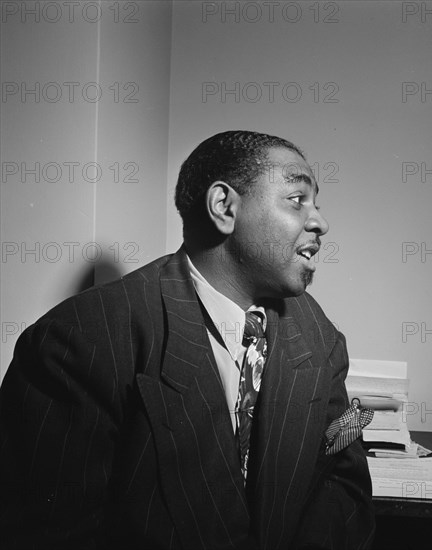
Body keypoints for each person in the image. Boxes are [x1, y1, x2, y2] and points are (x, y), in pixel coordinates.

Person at [0, 130, 375, 550]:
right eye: (296, 199)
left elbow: (343, 484)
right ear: (223, 207)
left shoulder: (318, 334)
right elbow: (49, 532)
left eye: (316, 203)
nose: (320, 222)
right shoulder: (80, 340)